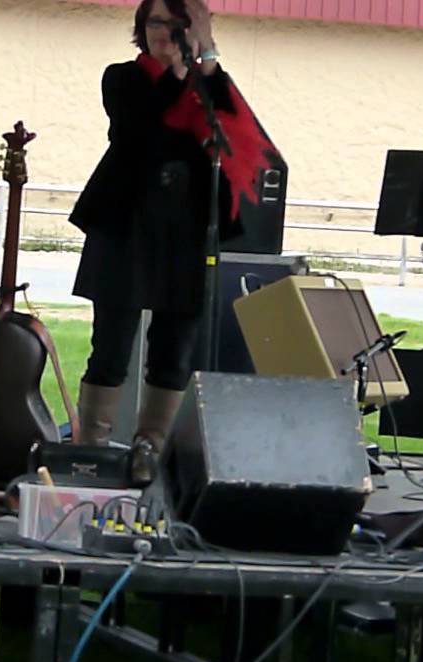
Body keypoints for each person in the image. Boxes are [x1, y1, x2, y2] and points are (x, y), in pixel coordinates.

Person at [67, 0, 273, 480]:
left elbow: (237, 133)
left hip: (186, 230)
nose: (168, 32)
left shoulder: (207, 81)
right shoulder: (122, 78)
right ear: (142, 28)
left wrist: (206, 59)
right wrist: (183, 70)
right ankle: (93, 446)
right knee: (111, 347)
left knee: (173, 350)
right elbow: (136, 129)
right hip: (125, 224)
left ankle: (148, 451)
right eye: (158, 22)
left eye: (179, 24)